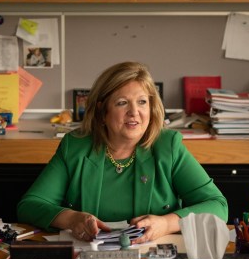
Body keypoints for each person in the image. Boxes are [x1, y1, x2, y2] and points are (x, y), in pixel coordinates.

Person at [16, 61, 228, 244]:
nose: (134, 112)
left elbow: (218, 206)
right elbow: (30, 206)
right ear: (102, 111)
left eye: (142, 102)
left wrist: (166, 223)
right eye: (122, 103)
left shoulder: (168, 146)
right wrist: (71, 219)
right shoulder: (76, 146)